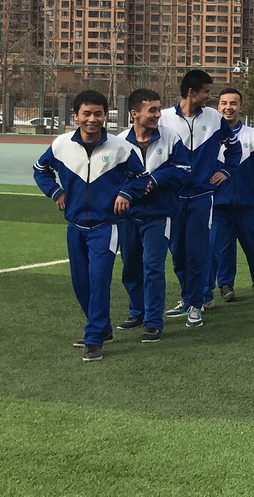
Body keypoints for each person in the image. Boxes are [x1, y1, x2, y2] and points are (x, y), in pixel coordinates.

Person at [33, 90, 150, 362]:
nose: (92, 119)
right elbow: (40, 170)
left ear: (105, 116)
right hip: (75, 226)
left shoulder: (120, 148)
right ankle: (103, 328)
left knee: (99, 280)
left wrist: (126, 194)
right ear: (75, 116)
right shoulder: (61, 145)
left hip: (106, 227)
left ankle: (94, 337)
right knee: (81, 283)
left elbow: (141, 177)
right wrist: (56, 192)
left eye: (98, 114)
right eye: (86, 114)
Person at [159, 69, 238, 328]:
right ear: (192, 92)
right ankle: (187, 297)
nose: (209, 97)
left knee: (197, 251)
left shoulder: (214, 117)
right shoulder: (164, 119)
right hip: (172, 198)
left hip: (202, 196)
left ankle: (196, 303)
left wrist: (226, 171)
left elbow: (234, 147)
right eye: (206, 92)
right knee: (177, 252)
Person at [116, 88, 190, 344]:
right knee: (130, 267)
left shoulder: (171, 138)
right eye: (152, 110)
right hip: (128, 216)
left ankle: (153, 322)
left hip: (159, 214)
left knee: (153, 267)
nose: (158, 114)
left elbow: (184, 170)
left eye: (159, 109)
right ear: (134, 113)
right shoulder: (119, 142)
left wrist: (155, 180)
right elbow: (112, 176)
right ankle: (137, 312)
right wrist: (130, 190)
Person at [211, 87, 254, 304]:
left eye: (233, 103)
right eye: (224, 103)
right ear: (218, 107)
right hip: (218, 205)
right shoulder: (209, 136)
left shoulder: (253, 135)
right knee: (221, 249)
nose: (228, 108)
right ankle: (225, 285)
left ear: (240, 107)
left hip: (248, 205)